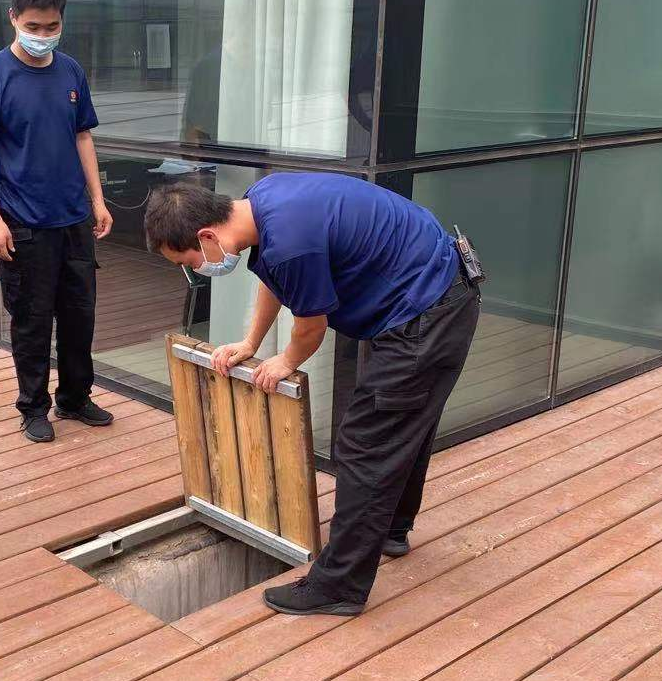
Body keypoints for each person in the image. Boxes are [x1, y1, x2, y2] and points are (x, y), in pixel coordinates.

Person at [143, 174, 481, 617]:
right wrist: (251, 343)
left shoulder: (289, 243)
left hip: (426, 310)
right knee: (402, 423)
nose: (193, 269)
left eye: (187, 261)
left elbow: (310, 327)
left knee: (365, 444)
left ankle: (338, 586)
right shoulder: (261, 203)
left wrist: (285, 360)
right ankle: (390, 530)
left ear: (206, 235)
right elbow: (276, 278)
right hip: (428, 292)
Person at [0, 0, 116, 443]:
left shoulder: (71, 72)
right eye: (33, 26)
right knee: (31, 321)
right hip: (23, 222)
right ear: (13, 18)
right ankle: (33, 407)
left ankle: (75, 396)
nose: (43, 35)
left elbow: (83, 136)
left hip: (73, 218)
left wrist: (98, 200)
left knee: (79, 315)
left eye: (52, 26)